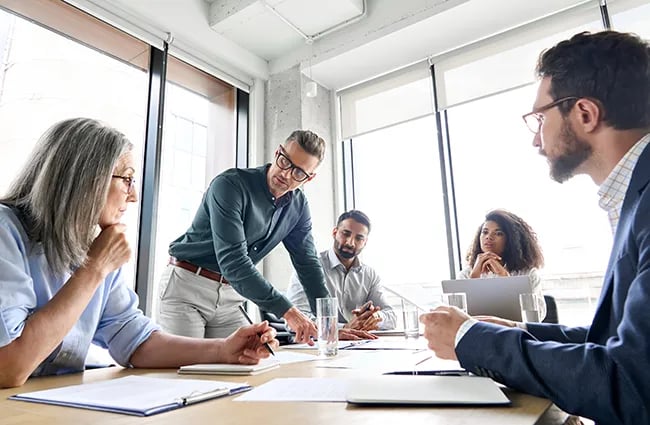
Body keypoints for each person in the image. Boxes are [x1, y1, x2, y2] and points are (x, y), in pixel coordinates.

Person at [421, 31, 650, 425]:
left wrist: (468, 339)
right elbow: (616, 343)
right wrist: (520, 330)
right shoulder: (632, 198)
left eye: (540, 118)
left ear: (584, 114)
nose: (535, 139)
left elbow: (631, 382)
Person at [0, 118, 278, 389]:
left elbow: (134, 340)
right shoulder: (6, 232)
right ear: (85, 179)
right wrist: (94, 269)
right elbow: (9, 367)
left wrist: (223, 349)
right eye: (127, 180)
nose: (133, 196)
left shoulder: (95, 246)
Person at [158, 130, 328, 344]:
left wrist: (329, 322)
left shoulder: (298, 206)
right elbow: (234, 262)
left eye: (299, 173)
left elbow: (308, 264)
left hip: (230, 298)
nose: (286, 174)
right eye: (285, 161)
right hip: (187, 288)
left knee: (251, 362)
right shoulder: (230, 185)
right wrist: (288, 312)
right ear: (277, 153)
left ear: (309, 178)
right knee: (187, 371)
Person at [286, 210, 397, 331]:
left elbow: (391, 317)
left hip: (358, 345)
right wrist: (342, 328)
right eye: (346, 234)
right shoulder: (308, 267)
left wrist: (376, 317)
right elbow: (294, 320)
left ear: (365, 242)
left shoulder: (370, 275)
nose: (350, 243)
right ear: (335, 232)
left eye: (359, 238)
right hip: (319, 345)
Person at [459, 209, 546, 319]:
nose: (488, 237)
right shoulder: (466, 274)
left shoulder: (528, 274)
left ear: (511, 240)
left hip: (514, 333)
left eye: (498, 233)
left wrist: (506, 280)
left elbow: (536, 316)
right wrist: (473, 280)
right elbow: (458, 319)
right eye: (485, 232)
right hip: (481, 334)